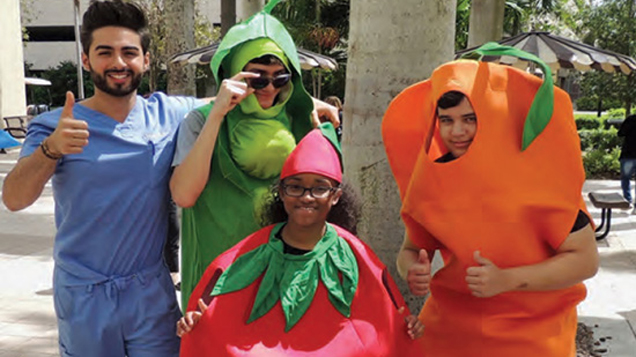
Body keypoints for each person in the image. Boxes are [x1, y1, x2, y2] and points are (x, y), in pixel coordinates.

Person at [1, 1, 208, 355]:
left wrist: (305, 101)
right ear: (86, 60)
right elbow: (15, 199)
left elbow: (238, 99)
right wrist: (51, 149)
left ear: (145, 60)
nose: (118, 63)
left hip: (150, 295)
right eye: (105, 52)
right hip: (84, 296)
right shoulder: (53, 125)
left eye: (129, 52)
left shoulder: (170, 113)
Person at [382, 50, 599, 357]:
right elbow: (411, 249)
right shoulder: (431, 176)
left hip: (532, 334)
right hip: (450, 331)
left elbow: (585, 260)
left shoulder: (540, 176)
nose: (457, 131)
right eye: (447, 120)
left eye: (470, 119)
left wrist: (507, 279)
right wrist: (410, 269)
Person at [176, 123, 424, 356]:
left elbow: (384, 318)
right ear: (281, 193)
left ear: (336, 195)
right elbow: (215, 314)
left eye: (319, 188)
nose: (307, 197)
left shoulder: (355, 254)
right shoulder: (246, 255)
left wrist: (407, 327)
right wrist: (194, 324)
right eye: (295, 187)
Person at [170, 0, 339, 308]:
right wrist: (217, 116)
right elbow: (183, 195)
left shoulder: (299, 119)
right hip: (217, 274)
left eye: (281, 78)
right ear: (234, 74)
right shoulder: (200, 120)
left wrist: (316, 131)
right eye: (257, 78)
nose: (269, 88)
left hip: (281, 273)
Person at [618, 114, 636, 212]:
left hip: (628, 154)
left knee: (625, 179)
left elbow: (620, 133)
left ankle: (627, 201)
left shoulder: (630, 119)